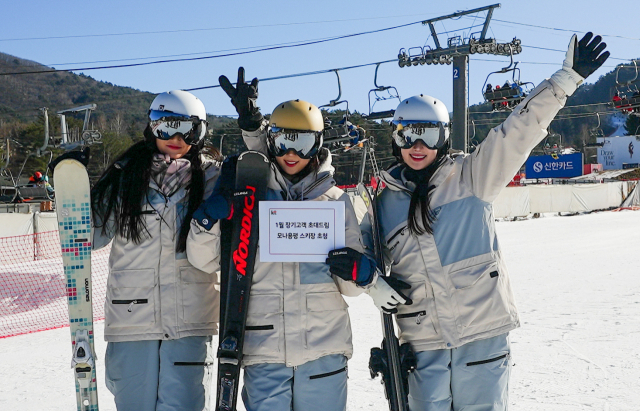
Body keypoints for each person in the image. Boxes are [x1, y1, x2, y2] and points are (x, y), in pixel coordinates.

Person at [361, 32, 609, 411]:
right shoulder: (382, 204)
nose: (417, 145)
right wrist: (372, 282)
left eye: (427, 134)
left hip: (481, 339)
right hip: (422, 346)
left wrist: (565, 79)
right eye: (407, 134)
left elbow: (518, 132)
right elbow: (358, 256)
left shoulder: (472, 175)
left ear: (443, 137)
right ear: (395, 138)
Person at [187, 68, 386, 411]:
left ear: (319, 143)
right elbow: (205, 261)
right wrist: (205, 222)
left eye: (303, 142)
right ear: (271, 141)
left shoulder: (336, 201)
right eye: (283, 142)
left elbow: (351, 290)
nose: (291, 153)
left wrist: (357, 270)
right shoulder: (248, 194)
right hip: (265, 350)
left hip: (323, 347)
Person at [90, 90, 222, 411]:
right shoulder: (125, 176)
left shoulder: (215, 177)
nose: (176, 137)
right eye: (166, 127)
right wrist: (78, 193)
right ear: (152, 128)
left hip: (190, 319)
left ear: (200, 132)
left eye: (187, 129)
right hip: (132, 319)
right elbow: (92, 236)